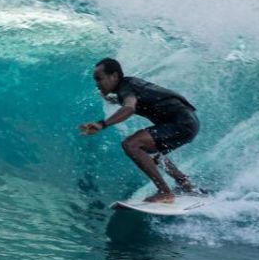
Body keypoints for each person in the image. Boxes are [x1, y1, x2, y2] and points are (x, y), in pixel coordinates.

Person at [78, 58, 199, 204]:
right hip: (188, 122)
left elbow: (129, 108)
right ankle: (186, 185)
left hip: (181, 123)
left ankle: (165, 192)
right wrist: (114, 101)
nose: (97, 84)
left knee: (131, 144)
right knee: (153, 154)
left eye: (99, 79)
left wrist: (102, 124)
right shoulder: (128, 85)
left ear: (114, 76)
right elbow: (137, 100)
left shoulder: (125, 87)